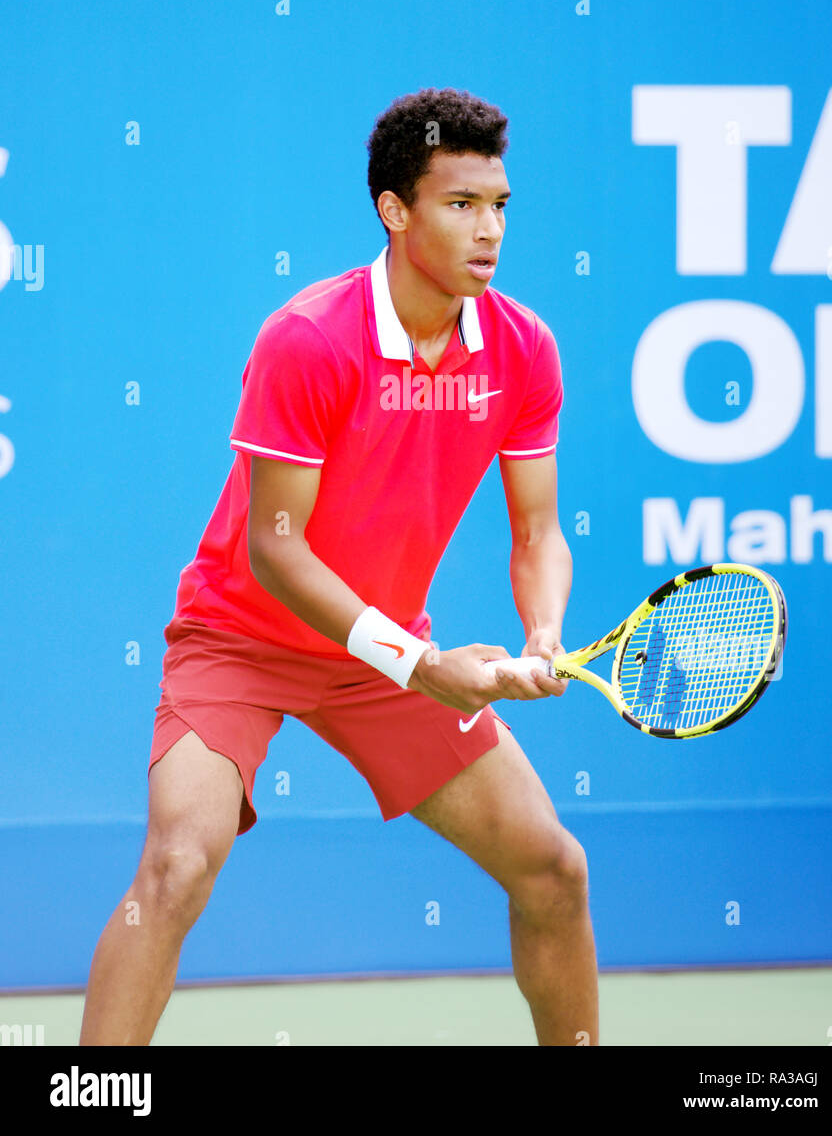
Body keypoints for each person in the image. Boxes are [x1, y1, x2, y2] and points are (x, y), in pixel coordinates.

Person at [79, 87, 599, 1047]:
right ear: (393, 211)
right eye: (460, 205)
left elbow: (537, 534)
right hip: (242, 636)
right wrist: (417, 661)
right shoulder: (310, 338)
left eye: (500, 207)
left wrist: (544, 632)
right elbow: (276, 550)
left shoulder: (524, 350)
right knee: (177, 868)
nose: (489, 231)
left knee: (552, 869)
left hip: (385, 653)